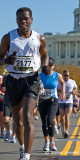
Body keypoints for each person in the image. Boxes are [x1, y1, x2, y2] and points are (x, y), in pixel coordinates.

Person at [0, 7, 48, 160]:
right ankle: (21, 147)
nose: (23, 21)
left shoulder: (39, 38)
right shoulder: (8, 38)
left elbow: (45, 55)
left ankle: (26, 156)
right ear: (16, 20)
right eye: (20, 19)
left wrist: (45, 67)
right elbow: (0, 57)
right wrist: (6, 60)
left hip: (31, 79)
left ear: (31, 20)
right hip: (13, 80)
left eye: (26, 19)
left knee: (28, 117)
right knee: (18, 121)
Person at [38, 57, 65, 152]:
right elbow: (35, 87)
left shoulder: (57, 75)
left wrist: (63, 93)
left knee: (50, 120)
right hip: (42, 100)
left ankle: (52, 142)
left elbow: (62, 83)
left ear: (53, 66)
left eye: (49, 65)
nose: (47, 67)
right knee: (44, 123)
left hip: (53, 100)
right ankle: (46, 142)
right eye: (46, 65)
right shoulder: (39, 75)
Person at [57, 70, 77, 138]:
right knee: (62, 117)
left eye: (67, 75)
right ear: (63, 75)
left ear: (69, 75)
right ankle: (63, 128)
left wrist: (74, 91)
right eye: (65, 75)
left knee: (67, 116)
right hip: (61, 101)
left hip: (69, 101)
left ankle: (66, 131)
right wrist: (61, 91)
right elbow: (56, 89)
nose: (66, 77)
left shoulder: (72, 81)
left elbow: (75, 88)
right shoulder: (60, 82)